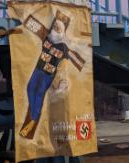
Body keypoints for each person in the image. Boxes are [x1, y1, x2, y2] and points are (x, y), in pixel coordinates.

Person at [18, 10, 86, 139]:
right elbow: (32, 24)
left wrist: (82, 62)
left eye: (58, 28)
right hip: (38, 70)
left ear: (63, 31)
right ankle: (33, 116)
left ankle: (32, 120)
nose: (55, 28)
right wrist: (23, 15)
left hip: (48, 74)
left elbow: (78, 61)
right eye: (54, 26)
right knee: (29, 88)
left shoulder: (64, 47)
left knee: (39, 93)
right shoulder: (46, 37)